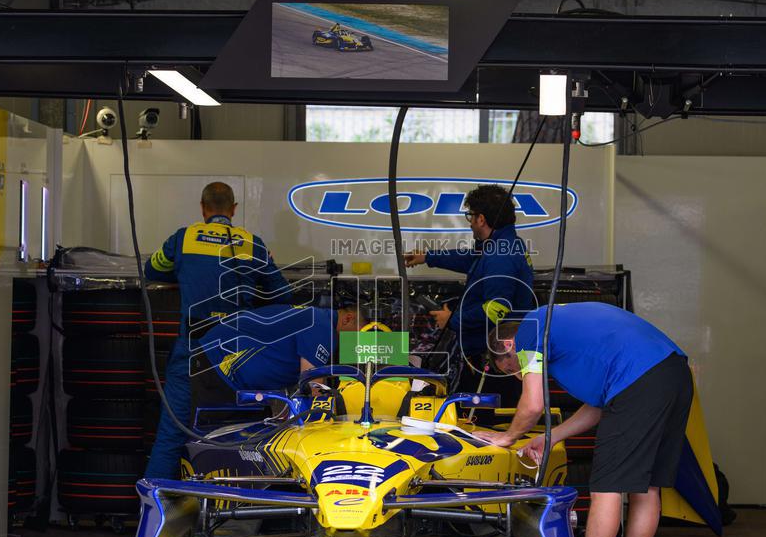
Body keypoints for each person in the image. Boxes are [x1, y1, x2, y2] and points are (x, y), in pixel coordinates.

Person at [476, 302, 692, 537]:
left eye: (512, 368)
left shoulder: (529, 331)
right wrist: (550, 438)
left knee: (607, 487)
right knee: (647, 487)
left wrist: (507, 437)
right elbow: (602, 404)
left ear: (508, 345)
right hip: (673, 373)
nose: (518, 375)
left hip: (639, 379)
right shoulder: (564, 327)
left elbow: (533, 403)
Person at [143, 182, 292, 480]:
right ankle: (236, 512)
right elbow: (284, 295)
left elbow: (152, 269)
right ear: (234, 209)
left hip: (193, 348)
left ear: (203, 208)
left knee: (172, 433)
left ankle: (156, 512)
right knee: (240, 434)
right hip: (238, 353)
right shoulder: (254, 244)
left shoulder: (184, 238)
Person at [403, 183, 535, 404]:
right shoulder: (502, 244)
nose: (470, 222)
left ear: (481, 219)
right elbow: (470, 259)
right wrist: (428, 257)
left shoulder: (499, 256)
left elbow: (497, 310)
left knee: (484, 421)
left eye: (470, 216)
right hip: (498, 353)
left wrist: (452, 319)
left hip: (497, 359)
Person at [192, 303, 361, 402]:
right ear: (348, 319)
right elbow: (312, 385)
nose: (359, 343)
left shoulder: (317, 318)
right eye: (360, 332)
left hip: (227, 378)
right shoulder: (322, 326)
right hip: (215, 367)